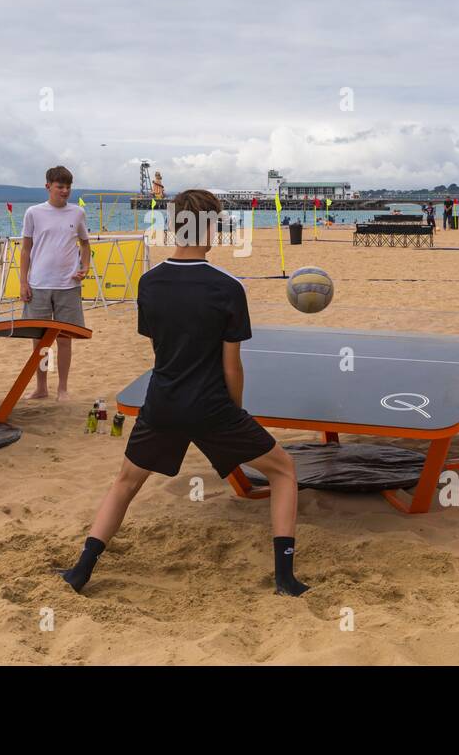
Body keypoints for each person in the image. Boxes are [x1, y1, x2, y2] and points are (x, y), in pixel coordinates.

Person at [57, 188, 308, 597]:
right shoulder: (227, 287)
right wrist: (234, 415)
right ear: (209, 227)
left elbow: (160, 347)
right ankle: (285, 578)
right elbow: (232, 365)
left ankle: (81, 570)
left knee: (125, 483)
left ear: (174, 225)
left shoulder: (150, 283)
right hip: (213, 409)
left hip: (162, 404)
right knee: (283, 471)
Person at [21, 166, 91, 401]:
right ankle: (42, 387)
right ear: (48, 186)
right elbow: (26, 249)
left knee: (64, 339)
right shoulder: (33, 213)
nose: (65, 191)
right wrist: (23, 282)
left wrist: (85, 267)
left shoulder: (77, 213)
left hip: (68, 286)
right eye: (60, 186)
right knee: (40, 340)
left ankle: (63, 388)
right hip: (39, 284)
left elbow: (85, 244)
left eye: (68, 187)